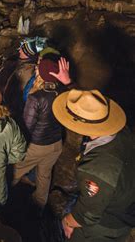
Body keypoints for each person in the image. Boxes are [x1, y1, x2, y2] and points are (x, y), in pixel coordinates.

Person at [53, 89, 134, 242]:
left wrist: (68, 222)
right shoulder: (122, 131)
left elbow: (87, 214)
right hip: (124, 209)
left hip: (104, 226)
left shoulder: (96, 168)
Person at [12, 57, 71, 210]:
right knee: (44, 175)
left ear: (42, 74)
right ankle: (39, 206)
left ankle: (4, 199)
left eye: (39, 67)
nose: (36, 68)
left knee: (14, 171)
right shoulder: (63, 93)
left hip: (37, 146)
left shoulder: (35, 98)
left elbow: (27, 126)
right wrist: (68, 82)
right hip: (56, 144)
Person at [2, 36, 47, 117]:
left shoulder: (28, 71)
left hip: (14, 108)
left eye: (22, 49)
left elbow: (19, 93)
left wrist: (10, 107)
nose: (19, 50)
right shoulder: (23, 64)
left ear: (27, 54)